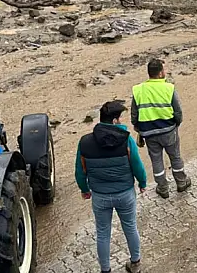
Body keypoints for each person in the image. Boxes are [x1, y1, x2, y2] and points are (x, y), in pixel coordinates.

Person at [75, 100, 147, 273]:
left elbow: (79, 170)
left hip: (100, 196)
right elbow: (137, 165)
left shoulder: (84, 142)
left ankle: (105, 269)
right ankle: (135, 263)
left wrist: (84, 189)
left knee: (103, 233)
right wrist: (142, 182)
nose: (121, 121)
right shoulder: (127, 140)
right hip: (125, 194)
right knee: (130, 226)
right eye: (120, 118)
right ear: (114, 121)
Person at [130, 58, 191, 199]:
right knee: (175, 156)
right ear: (160, 73)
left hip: (149, 133)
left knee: (156, 160)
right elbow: (178, 112)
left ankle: (162, 188)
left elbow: (134, 114)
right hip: (169, 130)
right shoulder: (169, 88)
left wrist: (138, 128)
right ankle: (181, 182)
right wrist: (176, 124)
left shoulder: (138, 90)